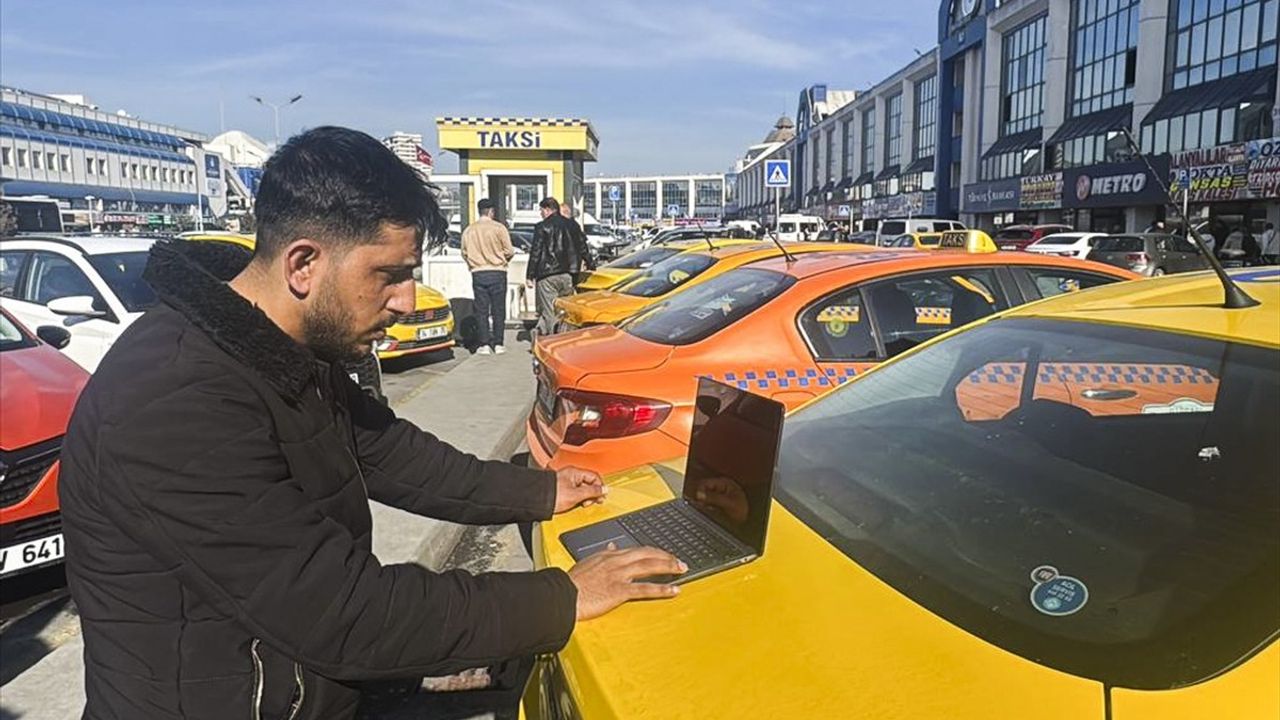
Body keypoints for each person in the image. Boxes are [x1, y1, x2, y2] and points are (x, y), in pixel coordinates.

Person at [59, 127, 684, 720]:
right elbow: (341, 612)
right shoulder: (175, 396)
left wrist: (541, 492)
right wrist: (562, 598)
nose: (408, 299)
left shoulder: (283, 346)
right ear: (303, 264)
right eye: (389, 274)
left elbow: (388, 450)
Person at [526, 197, 592, 336]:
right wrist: (590, 263)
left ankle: (554, 339)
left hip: (547, 275)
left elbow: (536, 252)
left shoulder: (542, 226)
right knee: (564, 310)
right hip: (568, 274)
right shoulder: (572, 225)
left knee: (550, 311)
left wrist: (530, 275)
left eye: (541, 210)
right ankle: (554, 334)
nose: (541, 213)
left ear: (548, 209)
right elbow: (582, 246)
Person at [461, 198, 515, 355]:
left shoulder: (469, 230)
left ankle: (484, 344)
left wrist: (474, 263)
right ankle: (498, 343)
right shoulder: (499, 228)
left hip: (478, 273)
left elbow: (464, 252)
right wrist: (502, 260)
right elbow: (509, 250)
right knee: (498, 309)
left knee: (481, 310)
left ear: (479, 211)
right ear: (491, 211)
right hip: (497, 271)